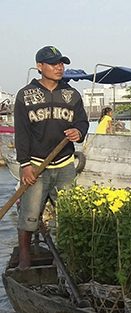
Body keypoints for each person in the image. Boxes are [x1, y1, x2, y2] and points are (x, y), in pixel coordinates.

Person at [14, 46, 89, 269]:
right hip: (37, 164)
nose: (59, 67)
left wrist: (79, 132)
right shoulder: (26, 95)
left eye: (61, 63)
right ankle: (25, 257)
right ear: (40, 67)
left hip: (65, 162)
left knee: (68, 213)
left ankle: (70, 257)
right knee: (29, 214)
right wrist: (25, 164)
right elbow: (22, 132)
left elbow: (82, 121)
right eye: (53, 63)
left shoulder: (72, 95)